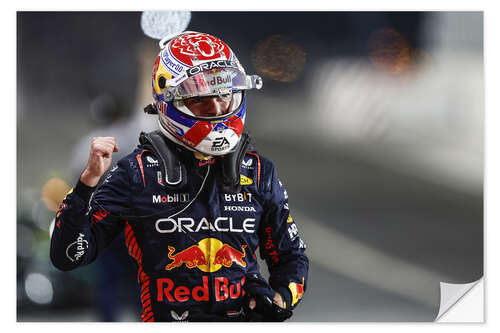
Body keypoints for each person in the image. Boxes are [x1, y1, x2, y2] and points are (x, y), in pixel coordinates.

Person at [50, 31, 308, 322]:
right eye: (201, 98)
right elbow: (68, 257)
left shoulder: (260, 171)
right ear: (168, 102)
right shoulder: (135, 173)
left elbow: (291, 258)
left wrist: (280, 298)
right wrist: (86, 185)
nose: (218, 108)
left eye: (224, 94)